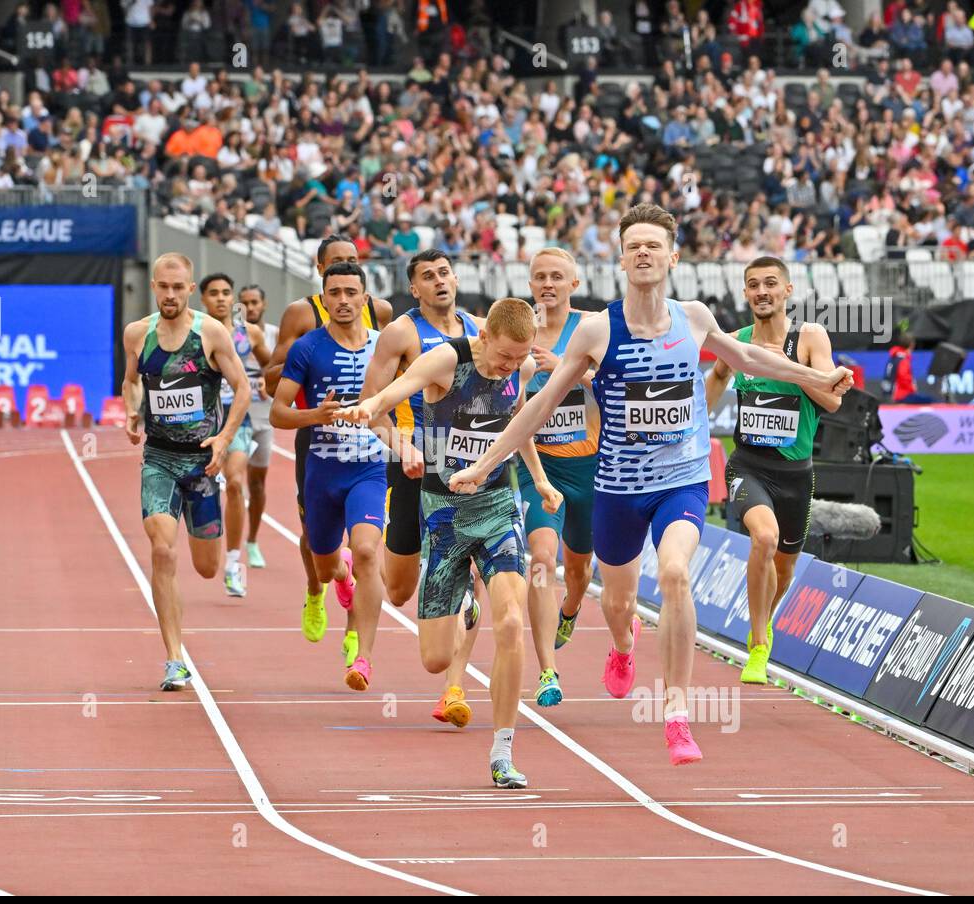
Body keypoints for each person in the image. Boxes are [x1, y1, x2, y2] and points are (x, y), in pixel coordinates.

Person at [448, 204, 852, 766]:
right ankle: (620, 646)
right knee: (617, 603)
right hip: (618, 486)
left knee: (676, 573)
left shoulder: (695, 318)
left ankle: (678, 715)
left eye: (653, 245)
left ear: (672, 257)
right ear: (620, 258)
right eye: (633, 245)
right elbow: (538, 405)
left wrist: (816, 376)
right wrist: (484, 462)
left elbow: (754, 360)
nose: (643, 253)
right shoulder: (598, 329)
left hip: (681, 482)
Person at [340, 298, 563, 789]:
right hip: (442, 513)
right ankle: (459, 593)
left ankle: (503, 750)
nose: (510, 367)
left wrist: (541, 480)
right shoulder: (447, 358)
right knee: (435, 659)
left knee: (510, 620)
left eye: (519, 358)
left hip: (497, 506)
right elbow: (401, 387)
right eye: (504, 358)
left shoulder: (520, 367)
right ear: (484, 339)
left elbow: (519, 422)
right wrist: (371, 406)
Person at [358, 248, 484, 726]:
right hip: (414, 465)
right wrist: (402, 446)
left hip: (466, 471)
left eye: (445, 273)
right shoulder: (401, 333)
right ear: (414, 288)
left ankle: (454, 687)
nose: (439, 282)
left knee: (468, 574)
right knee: (398, 590)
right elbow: (374, 402)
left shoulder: (478, 329)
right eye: (428, 277)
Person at [704, 257, 842, 684]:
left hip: (796, 474)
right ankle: (759, 643)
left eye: (770, 284)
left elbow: (832, 402)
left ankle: (759, 620)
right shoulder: (735, 341)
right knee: (763, 537)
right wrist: (689, 426)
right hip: (748, 465)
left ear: (787, 290)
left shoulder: (809, 337)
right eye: (752, 285)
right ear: (745, 294)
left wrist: (781, 366)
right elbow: (717, 378)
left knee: (783, 570)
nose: (761, 291)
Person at [121, 253, 252, 691]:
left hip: (200, 462)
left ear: (190, 289)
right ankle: (174, 658)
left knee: (206, 567)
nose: (170, 295)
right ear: (153, 287)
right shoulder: (137, 334)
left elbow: (243, 387)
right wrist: (132, 412)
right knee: (162, 550)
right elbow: (131, 380)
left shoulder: (210, 333)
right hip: (158, 458)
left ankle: (216, 556)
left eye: (179, 288)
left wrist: (224, 437)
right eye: (163, 287)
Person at [264, 235, 394, 664]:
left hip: (370, 467)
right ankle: (330, 583)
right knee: (325, 564)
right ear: (323, 294)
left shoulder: (388, 342)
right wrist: (315, 416)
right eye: (334, 292)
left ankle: (362, 651)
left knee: (366, 550)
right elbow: (278, 413)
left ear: (365, 297)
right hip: (321, 468)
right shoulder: (307, 347)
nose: (342, 300)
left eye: (350, 292)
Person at [521, 249, 601, 707]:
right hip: (540, 467)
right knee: (540, 560)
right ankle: (548, 671)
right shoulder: (518, 329)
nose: (547, 284)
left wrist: (568, 369)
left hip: (588, 466)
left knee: (578, 570)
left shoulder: (592, 328)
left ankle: (570, 609)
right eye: (539, 277)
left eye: (557, 277)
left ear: (574, 282)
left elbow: (615, 384)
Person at [199, 272, 268, 597]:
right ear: (203, 299)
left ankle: (233, 563)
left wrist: (271, 381)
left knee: (237, 483)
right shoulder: (195, 331)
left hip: (237, 420)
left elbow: (276, 365)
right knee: (202, 489)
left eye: (226, 292)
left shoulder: (248, 333)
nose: (221, 298)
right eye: (214, 293)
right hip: (199, 422)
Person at [238, 283, 279, 569]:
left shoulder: (276, 335)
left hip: (264, 419)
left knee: (256, 484)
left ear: (263, 304)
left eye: (255, 302)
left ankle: (252, 541)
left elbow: (285, 375)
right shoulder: (230, 335)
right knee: (229, 481)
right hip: (235, 419)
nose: (250, 307)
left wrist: (271, 384)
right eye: (245, 303)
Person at [882, 331, 930, 403]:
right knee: (932, 401)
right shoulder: (903, 359)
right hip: (902, 395)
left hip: (891, 394)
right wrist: (912, 388)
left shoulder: (894, 357)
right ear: (912, 344)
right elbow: (903, 377)